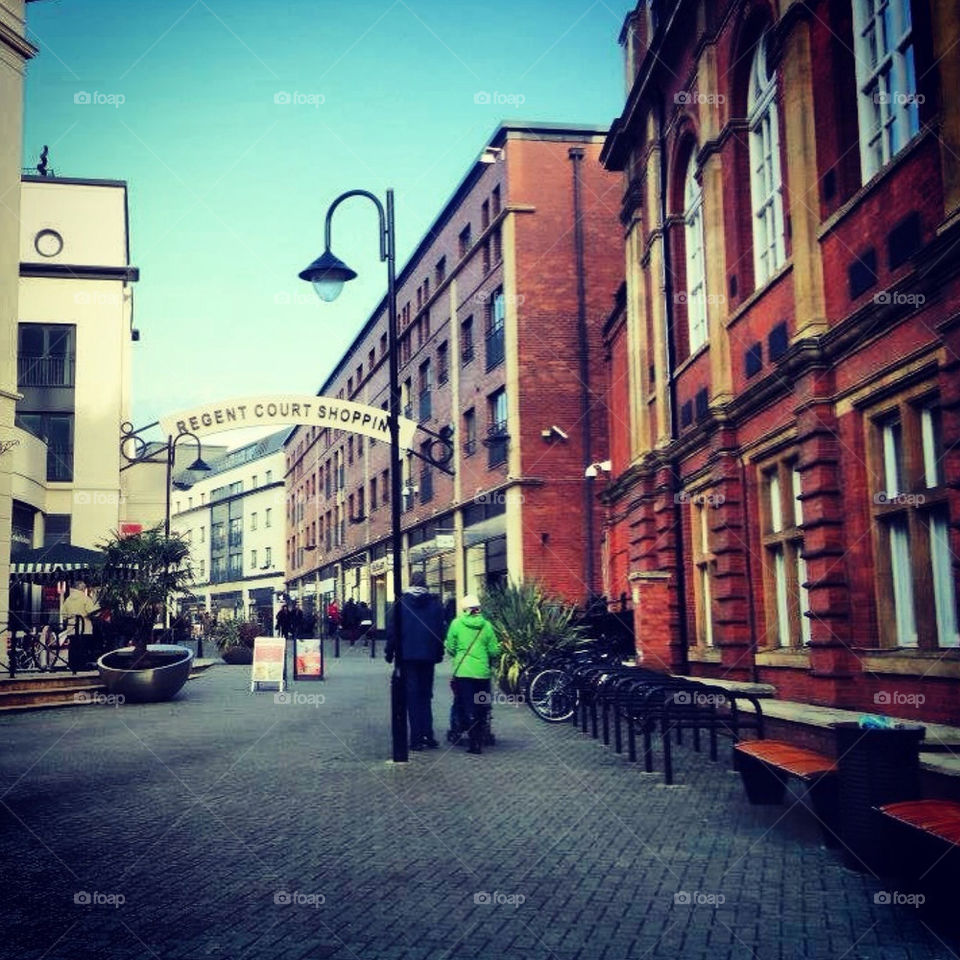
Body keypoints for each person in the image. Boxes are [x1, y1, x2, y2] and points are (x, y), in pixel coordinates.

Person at [385, 572, 446, 750]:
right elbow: (440, 631)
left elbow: (393, 631)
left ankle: (416, 739)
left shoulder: (401, 603)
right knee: (426, 695)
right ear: (425, 583)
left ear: (411, 583)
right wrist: (439, 653)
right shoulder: (435, 604)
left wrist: (389, 653)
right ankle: (428, 734)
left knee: (412, 697)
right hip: (428, 657)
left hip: (407, 657)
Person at [445, 594, 500, 755]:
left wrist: (458, 653)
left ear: (464, 609)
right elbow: (494, 650)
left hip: (463, 673)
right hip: (482, 673)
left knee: (466, 705)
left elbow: (450, 647)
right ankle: (480, 739)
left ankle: (472, 742)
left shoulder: (456, 624)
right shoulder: (487, 626)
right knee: (482, 705)